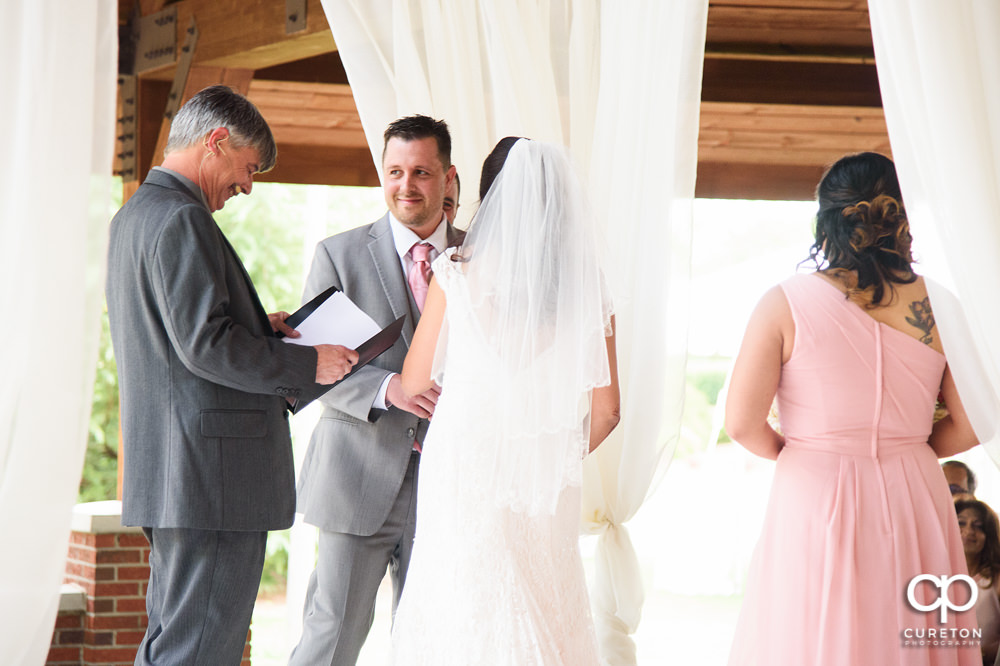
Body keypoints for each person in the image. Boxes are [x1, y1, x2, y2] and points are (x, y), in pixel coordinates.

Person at [105, 85, 358, 665]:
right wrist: (306, 361)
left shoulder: (133, 218)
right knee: (199, 651)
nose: (246, 186)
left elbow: (177, 339)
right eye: (246, 169)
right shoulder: (182, 219)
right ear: (215, 142)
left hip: (175, 476)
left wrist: (259, 328)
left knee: (172, 642)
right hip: (211, 481)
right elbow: (204, 344)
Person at [725, 152, 980, 665]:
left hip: (814, 489)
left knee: (813, 633)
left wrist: (806, 451)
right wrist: (908, 448)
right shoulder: (942, 306)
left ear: (827, 220)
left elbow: (740, 423)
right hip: (914, 490)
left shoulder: (783, 302)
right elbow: (974, 420)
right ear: (901, 216)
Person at [389, 137, 621, 664]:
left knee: (460, 601)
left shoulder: (455, 272)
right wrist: (547, 453)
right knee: (544, 596)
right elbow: (608, 411)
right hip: (545, 476)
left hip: (464, 466)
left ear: (488, 198)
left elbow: (416, 376)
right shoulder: (590, 289)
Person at [289, 115, 462, 665]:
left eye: (421, 172)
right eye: (394, 171)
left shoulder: (480, 257)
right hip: (355, 478)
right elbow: (308, 368)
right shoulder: (337, 255)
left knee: (430, 644)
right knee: (330, 639)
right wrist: (389, 388)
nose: (405, 185)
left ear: (447, 177)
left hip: (450, 485)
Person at [955, 498, 1000, 665]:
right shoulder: (932, 577)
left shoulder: (995, 579)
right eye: (961, 523)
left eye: (978, 526)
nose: (968, 531)